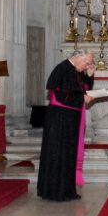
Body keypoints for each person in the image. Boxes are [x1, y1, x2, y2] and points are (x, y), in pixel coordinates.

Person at [37, 49, 96, 201]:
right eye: (87, 63)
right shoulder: (62, 69)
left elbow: (82, 88)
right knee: (59, 154)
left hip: (70, 119)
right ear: (77, 58)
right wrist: (82, 98)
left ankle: (68, 190)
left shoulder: (75, 70)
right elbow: (61, 95)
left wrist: (90, 75)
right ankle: (56, 191)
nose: (87, 66)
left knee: (69, 154)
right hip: (60, 120)